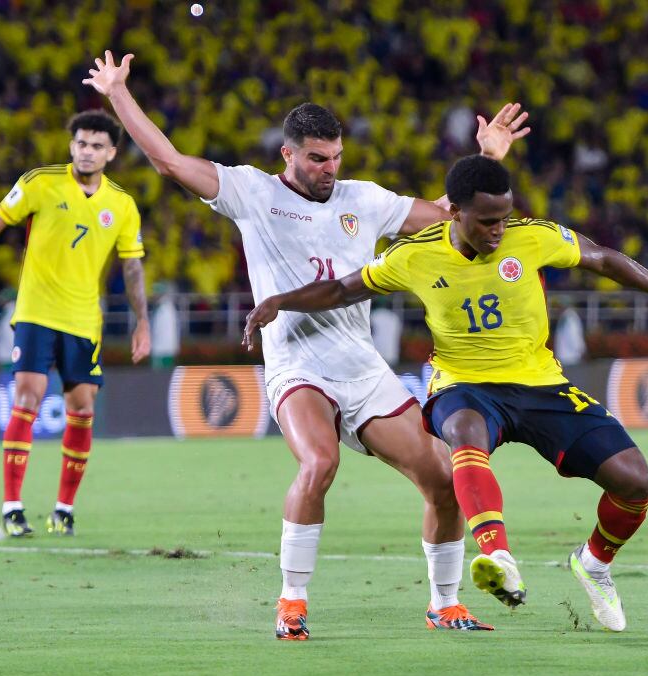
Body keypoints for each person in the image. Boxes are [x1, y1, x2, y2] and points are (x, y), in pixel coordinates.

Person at [83, 51, 531, 638]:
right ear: (288, 155)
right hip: (298, 366)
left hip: (363, 368)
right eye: (317, 159)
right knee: (320, 461)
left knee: (443, 480)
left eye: (336, 157)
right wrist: (117, 93)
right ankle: (292, 601)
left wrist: (487, 157)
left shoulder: (362, 199)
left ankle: (444, 604)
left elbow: (445, 215)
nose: (329, 168)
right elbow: (168, 162)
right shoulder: (251, 192)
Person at [243, 155, 648, 632]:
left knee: (635, 481)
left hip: (540, 383)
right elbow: (343, 290)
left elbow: (602, 257)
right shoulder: (416, 254)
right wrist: (280, 302)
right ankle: (497, 556)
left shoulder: (533, 235)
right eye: (487, 221)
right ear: (455, 213)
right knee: (463, 435)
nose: (498, 230)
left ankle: (593, 563)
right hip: (463, 385)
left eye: (504, 217)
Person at [0, 109, 150, 537]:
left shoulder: (122, 205)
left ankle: (64, 510)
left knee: (82, 409)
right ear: (72, 146)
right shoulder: (40, 182)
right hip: (35, 312)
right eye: (81, 143)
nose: (87, 152)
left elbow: (133, 268)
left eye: (97, 146)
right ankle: (13, 507)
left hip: (84, 320)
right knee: (28, 399)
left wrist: (143, 322)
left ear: (112, 153)